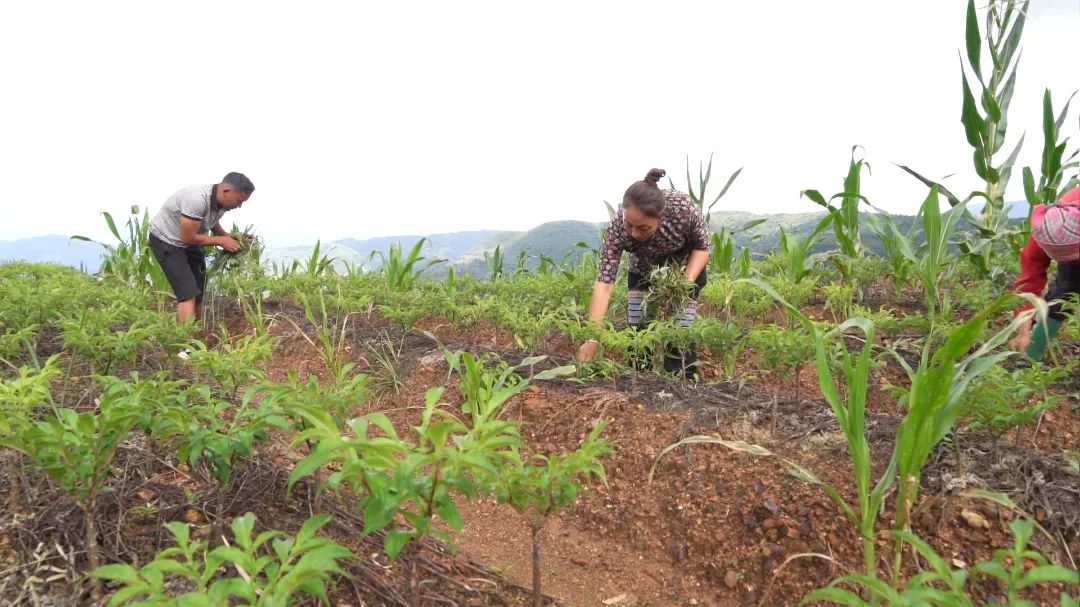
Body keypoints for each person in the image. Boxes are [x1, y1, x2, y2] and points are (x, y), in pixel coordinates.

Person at [576, 168, 711, 376]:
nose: (634, 233)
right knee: (638, 327)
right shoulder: (617, 229)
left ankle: (682, 382)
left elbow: (702, 248)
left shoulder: (683, 209)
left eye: (643, 228)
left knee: (679, 329)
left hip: (685, 267)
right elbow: (604, 284)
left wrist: (681, 286)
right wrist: (593, 337)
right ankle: (641, 379)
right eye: (629, 224)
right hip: (643, 269)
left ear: (660, 217)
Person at [148, 172, 254, 329]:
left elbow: (211, 221)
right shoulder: (197, 199)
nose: (239, 205)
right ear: (226, 191)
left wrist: (227, 236)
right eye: (239, 201)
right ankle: (186, 345)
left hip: (190, 242)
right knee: (188, 293)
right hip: (167, 240)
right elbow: (187, 238)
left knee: (198, 291)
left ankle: (196, 333)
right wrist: (221, 240)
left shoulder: (222, 203)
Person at [1008, 186, 1080, 361]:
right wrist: (1023, 330)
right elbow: (1028, 284)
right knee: (1065, 292)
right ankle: (1030, 355)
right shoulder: (1044, 230)